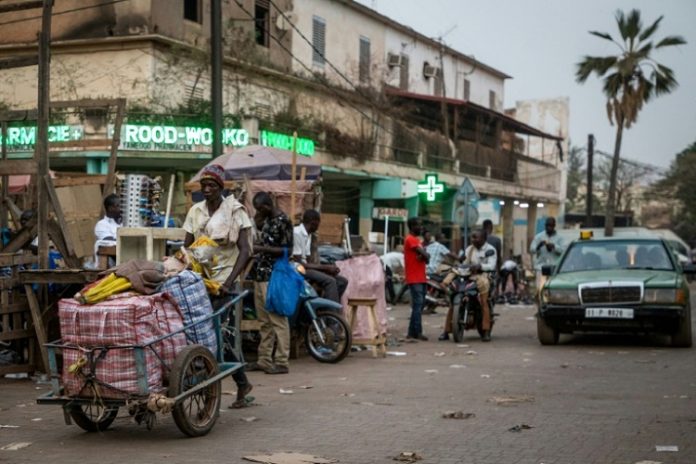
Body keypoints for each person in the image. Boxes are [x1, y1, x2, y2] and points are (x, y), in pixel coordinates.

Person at [182, 164, 254, 408]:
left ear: (220, 188)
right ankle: (221, 382)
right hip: (200, 278)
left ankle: (239, 383)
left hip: (226, 281)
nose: (207, 189)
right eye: (204, 186)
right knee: (195, 331)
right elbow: (187, 246)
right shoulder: (196, 211)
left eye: (212, 186)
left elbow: (245, 250)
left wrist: (229, 282)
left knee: (222, 333)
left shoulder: (235, 211)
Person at [248, 191, 293, 374]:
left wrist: (262, 249)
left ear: (267, 206)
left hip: (274, 276)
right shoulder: (265, 221)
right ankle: (264, 359)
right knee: (264, 321)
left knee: (277, 320)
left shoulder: (283, 221)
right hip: (260, 274)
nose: (258, 212)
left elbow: (288, 251)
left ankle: (282, 361)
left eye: (260, 208)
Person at [440, 229, 497, 342]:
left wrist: (480, 266)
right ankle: (446, 331)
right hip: (468, 275)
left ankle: (486, 331)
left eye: (476, 238)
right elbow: (464, 263)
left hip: (483, 276)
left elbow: (491, 265)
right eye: (472, 238)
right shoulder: (469, 249)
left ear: (483, 238)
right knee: (453, 302)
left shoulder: (490, 249)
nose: (473, 240)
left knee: (483, 302)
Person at [292, 209, 348, 303]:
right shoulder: (297, 233)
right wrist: (325, 267)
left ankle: (325, 310)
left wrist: (325, 270)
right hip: (297, 269)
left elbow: (309, 262)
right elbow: (299, 263)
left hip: (305, 268)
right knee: (330, 281)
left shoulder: (308, 235)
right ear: (314, 223)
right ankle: (330, 313)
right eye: (318, 223)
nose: (318, 226)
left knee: (342, 281)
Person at [404, 217, 430, 341]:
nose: (421, 227)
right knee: (418, 306)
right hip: (414, 278)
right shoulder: (410, 239)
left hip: (420, 277)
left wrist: (425, 256)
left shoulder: (417, 240)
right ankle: (417, 332)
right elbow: (425, 255)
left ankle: (411, 332)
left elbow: (425, 257)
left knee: (418, 306)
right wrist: (425, 256)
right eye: (418, 225)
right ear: (412, 226)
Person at [529, 217, 565, 295]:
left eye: (551, 225)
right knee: (540, 289)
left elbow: (563, 251)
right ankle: (540, 303)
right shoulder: (539, 237)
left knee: (553, 290)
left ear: (554, 226)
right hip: (541, 268)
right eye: (547, 225)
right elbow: (531, 250)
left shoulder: (560, 238)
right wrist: (539, 246)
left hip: (554, 268)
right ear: (545, 226)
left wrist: (554, 247)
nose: (549, 227)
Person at [94, 194, 122, 267]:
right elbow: (109, 242)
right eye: (118, 206)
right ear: (110, 208)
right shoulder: (102, 224)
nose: (121, 209)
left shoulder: (124, 223)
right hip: (112, 267)